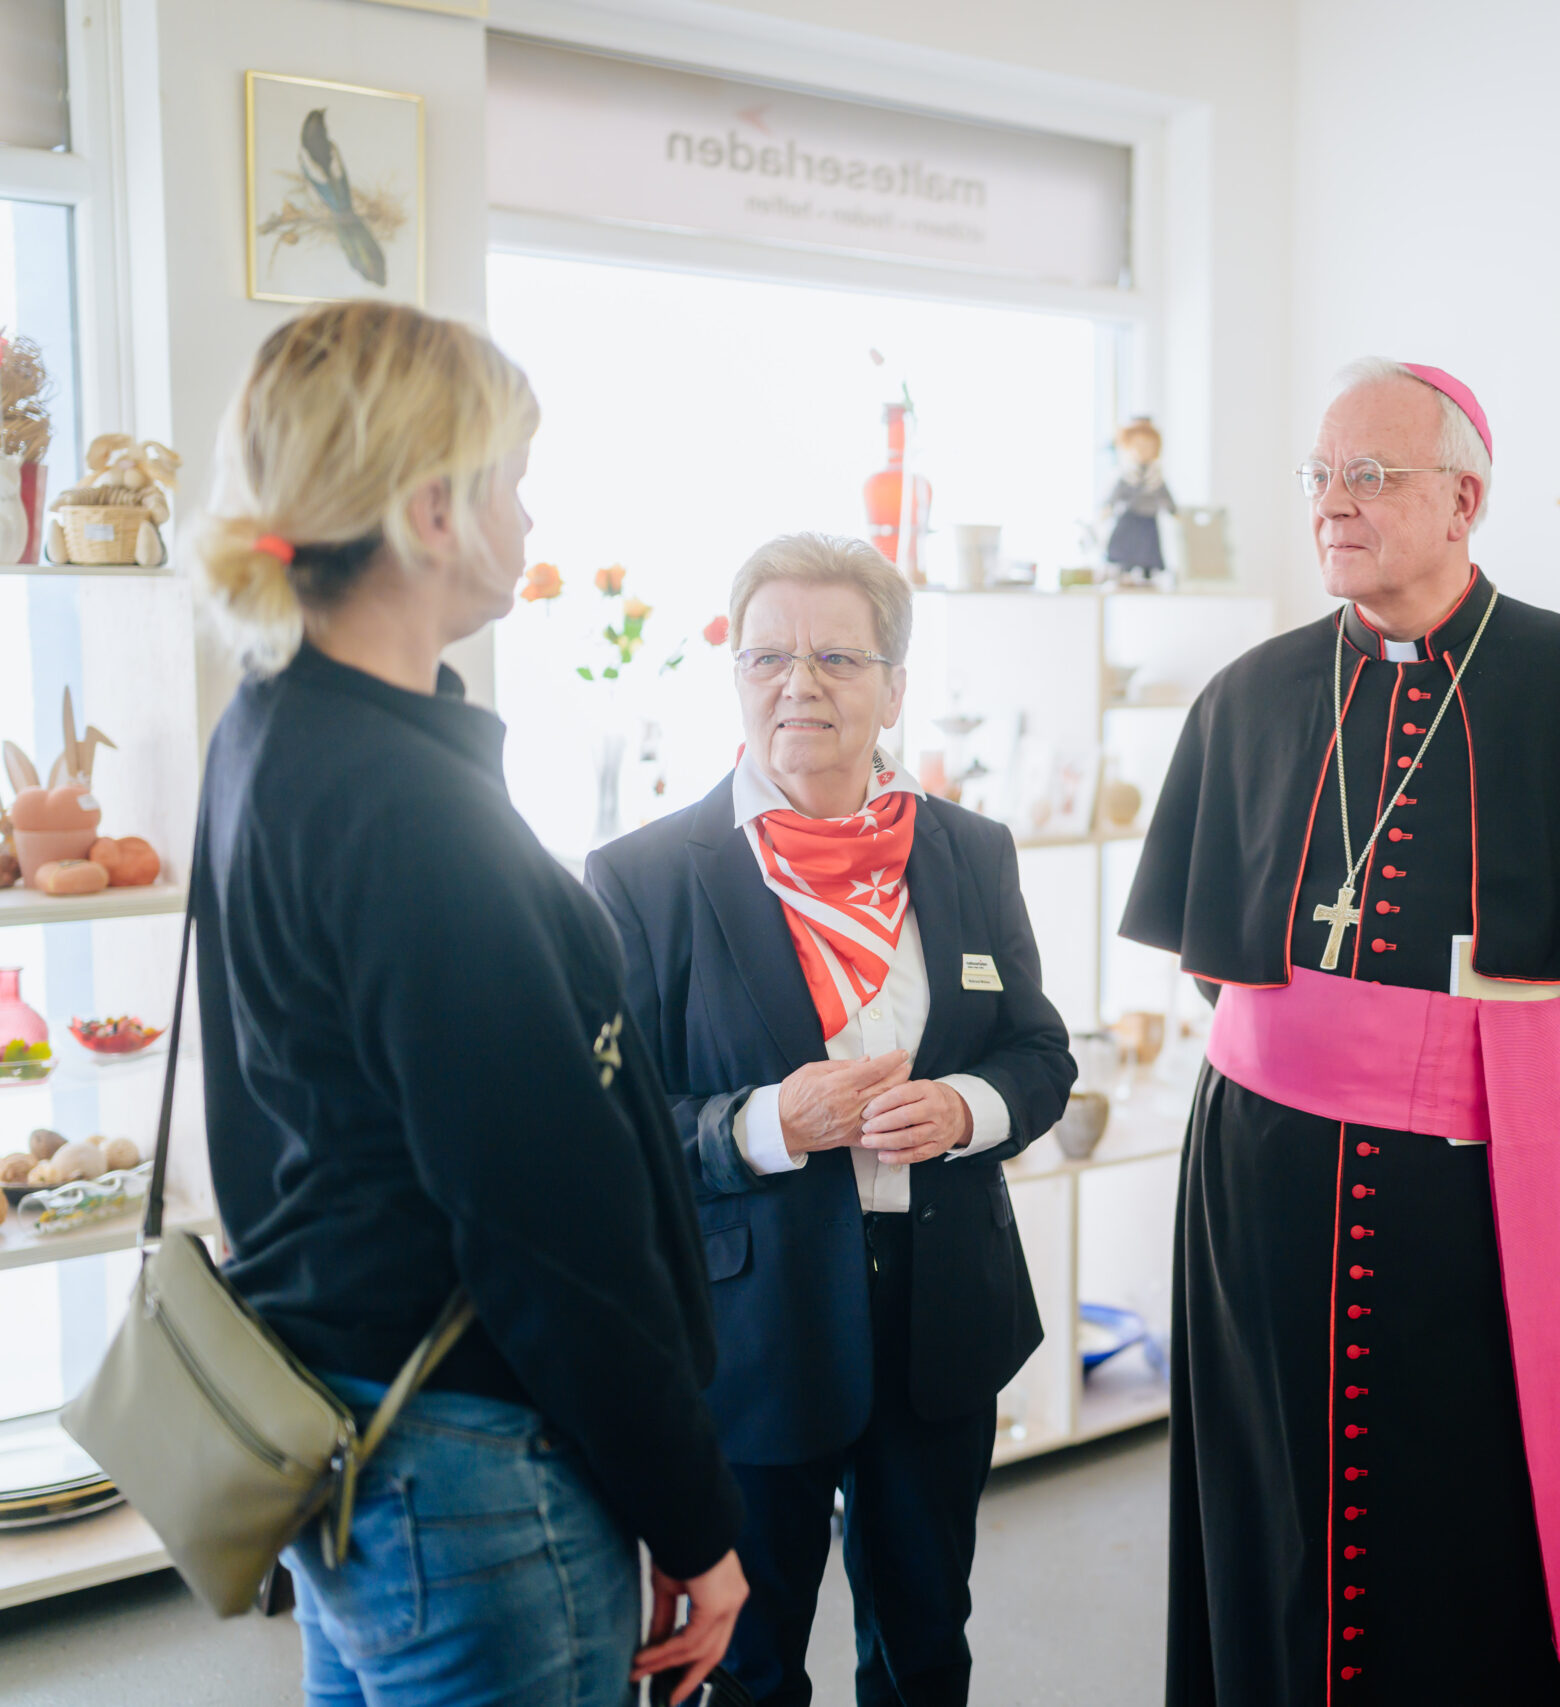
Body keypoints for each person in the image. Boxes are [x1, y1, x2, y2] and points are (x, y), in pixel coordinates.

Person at [1120, 359, 1560, 1706]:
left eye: (1373, 475)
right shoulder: (1248, 697)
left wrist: (1482, 1095)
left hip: (1487, 1194)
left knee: (1482, 1512)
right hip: (1263, 1185)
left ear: (1466, 498)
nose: (1336, 504)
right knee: (1276, 1494)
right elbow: (1221, 969)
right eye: (1322, 476)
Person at [190, 300, 747, 1707]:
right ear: (432, 508)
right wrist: (693, 1516)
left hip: (358, 1427)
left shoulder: (274, 728)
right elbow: (547, 1227)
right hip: (477, 1469)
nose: (528, 509)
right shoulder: (407, 804)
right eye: (508, 478)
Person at [588, 534, 1076, 1707]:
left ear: (894, 687)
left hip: (938, 1324)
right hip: (752, 1337)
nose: (797, 683)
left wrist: (967, 1106)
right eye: (766, 656)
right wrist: (764, 1124)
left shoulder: (967, 851)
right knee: (746, 1670)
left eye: (836, 657)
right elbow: (612, 1128)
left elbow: (1039, 1054)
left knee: (924, 1648)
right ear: (735, 675)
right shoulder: (644, 877)